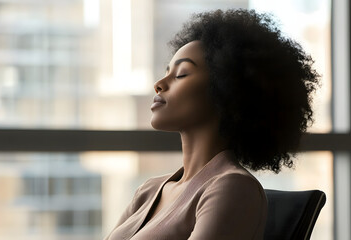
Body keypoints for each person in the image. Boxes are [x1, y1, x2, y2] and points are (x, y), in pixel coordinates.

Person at [104, 8, 319, 240]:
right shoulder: (148, 190)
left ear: (227, 89)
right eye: (167, 71)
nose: (159, 84)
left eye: (182, 74)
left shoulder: (233, 188)